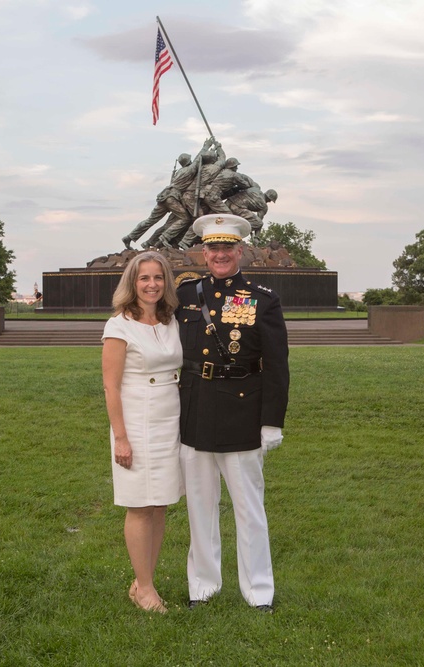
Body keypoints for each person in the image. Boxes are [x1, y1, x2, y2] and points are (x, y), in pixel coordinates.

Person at [175, 213, 289, 613]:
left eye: (227, 247)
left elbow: (277, 365)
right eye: (213, 247)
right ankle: (202, 588)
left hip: (243, 412)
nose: (220, 254)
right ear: (202, 252)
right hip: (196, 413)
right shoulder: (185, 296)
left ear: (241, 250)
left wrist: (271, 421)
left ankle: (259, 592)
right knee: (200, 509)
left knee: (249, 510)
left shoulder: (263, 299)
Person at [101, 251, 184, 613]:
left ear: (166, 282)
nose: (152, 284)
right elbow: (110, 387)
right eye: (144, 278)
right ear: (132, 283)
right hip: (136, 421)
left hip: (170, 419)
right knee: (140, 505)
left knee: (160, 502)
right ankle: (147, 590)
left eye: (158, 277)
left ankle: (141, 582)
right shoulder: (118, 326)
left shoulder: (170, 321)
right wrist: (121, 437)